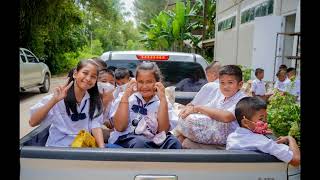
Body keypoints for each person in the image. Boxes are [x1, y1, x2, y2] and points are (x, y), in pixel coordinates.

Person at [29, 59, 105, 148]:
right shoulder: (58, 97)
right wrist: (54, 100)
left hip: (83, 148)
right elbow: (32, 122)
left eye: (93, 76)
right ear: (75, 74)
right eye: (85, 73)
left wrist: (102, 148)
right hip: (58, 149)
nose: (88, 78)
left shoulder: (94, 100)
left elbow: (95, 126)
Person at [108, 61, 182, 149]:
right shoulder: (126, 97)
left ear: (157, 82)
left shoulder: (162, 100)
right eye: (140, 82)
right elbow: (120, 127)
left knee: (174, 143)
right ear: (135, 82)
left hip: (155, 138)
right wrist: (126, 95)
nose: (144, 86)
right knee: (140, 143)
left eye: (149, 82)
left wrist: (162, 100)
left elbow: (163, 131)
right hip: (128, 137)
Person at [177, 65, 247, 147]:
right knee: (182, 135)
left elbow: (227, 117)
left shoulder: (243, 100)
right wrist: (191, 109)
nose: (225, 86)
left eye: (230, 82)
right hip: (215, 135)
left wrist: (198, 108)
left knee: (186, 141)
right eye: (222, 83)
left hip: (230, 141)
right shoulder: (221, 95)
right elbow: (208, 108)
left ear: (240, 84)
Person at [226, 97, 300, 167]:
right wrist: (290, 139)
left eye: (266, 118)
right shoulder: (261, 141)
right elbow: (296, 160)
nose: (265, 123)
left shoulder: (232, 137)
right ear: (245, 122)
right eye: (261, 119)